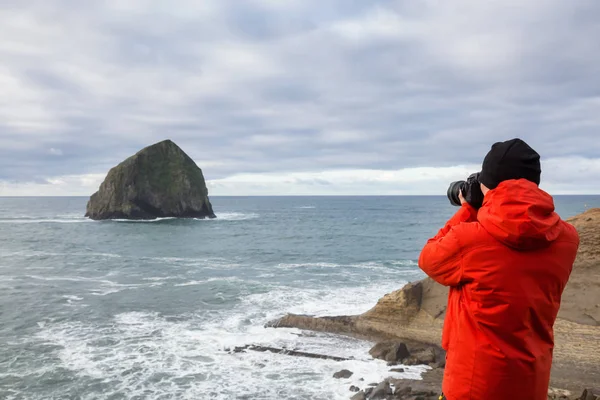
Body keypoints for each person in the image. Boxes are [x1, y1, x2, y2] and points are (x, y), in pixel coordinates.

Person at [419, 138, 579, 400]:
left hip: (472, 385)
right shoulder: (568, 239)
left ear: (487, 185)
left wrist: (468, 209)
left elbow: (429, 258)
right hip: (531, 382)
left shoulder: (469, 239)